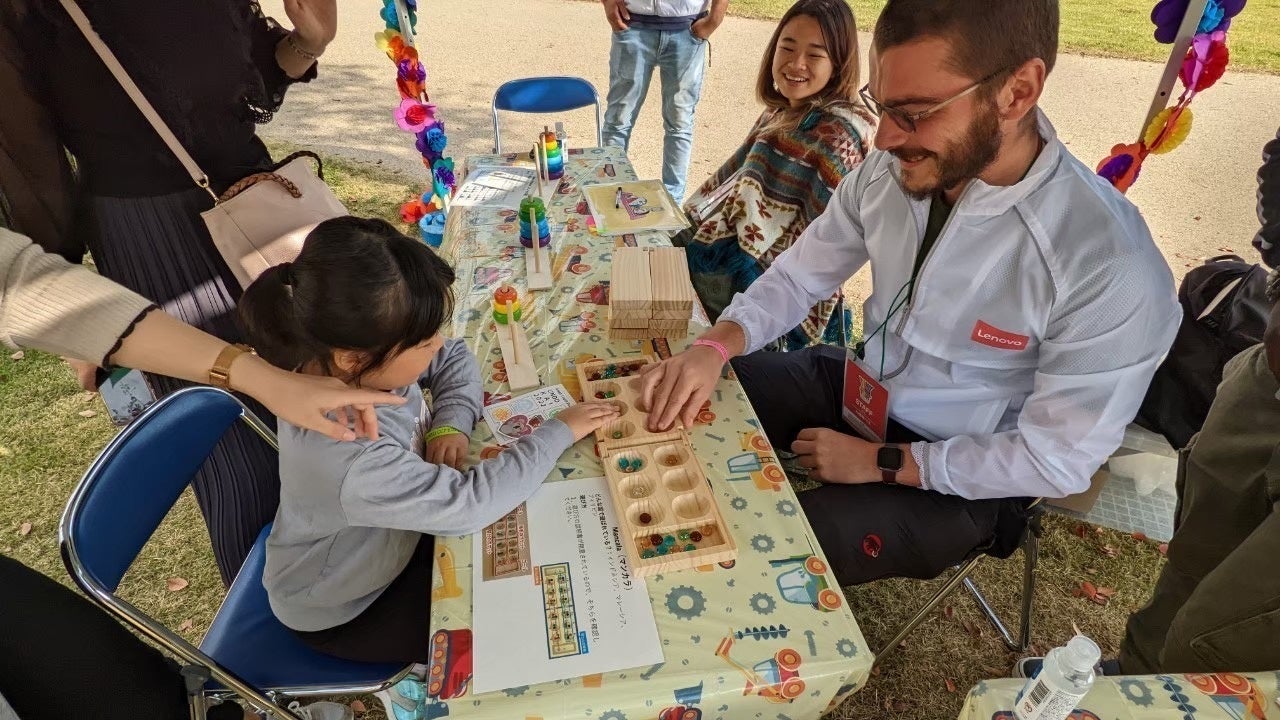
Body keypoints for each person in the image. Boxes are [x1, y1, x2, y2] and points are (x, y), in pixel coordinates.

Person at [638, 0, 1181, 587]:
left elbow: (1056, 459)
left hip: (966, 470)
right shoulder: (887, 172)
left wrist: (885, 464)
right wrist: (715, 347)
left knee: (755, 560)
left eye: (915, 112)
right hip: (862, 388)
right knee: (666, 400)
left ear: (1018, 92)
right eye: (881, 104)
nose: (886, 138)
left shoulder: (1108, 264)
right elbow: (800, 277)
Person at [0, 226, 407, 720]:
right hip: (331, 601)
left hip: (337, 574)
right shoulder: (350, 455)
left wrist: (257, 378)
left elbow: (21, 279)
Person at [6, 0, 337, 586]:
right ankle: (284, 613)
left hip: (257, 209)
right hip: (154, 236)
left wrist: (309, 41)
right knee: (234, 446)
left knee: (332, 386)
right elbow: (27, 161)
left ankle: (374, 564)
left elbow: (245, 95)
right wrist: (77, 319)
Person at [236, 217, 619, 664]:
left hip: (399, 535)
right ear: (352, 357)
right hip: (349, 606)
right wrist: (561, 429)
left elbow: (454, 356)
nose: (438, 345)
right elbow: (468, 505)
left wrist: (449, 424)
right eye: (423, 341)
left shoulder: (351, 366)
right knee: (512, 637)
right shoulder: (349, 452)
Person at [675, 0, 875, 349]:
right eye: (787, 47)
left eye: (815, 55)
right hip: (733, 266)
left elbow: (817, 251)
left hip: (774, 297)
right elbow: (730, 187)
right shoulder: (779, 113)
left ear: (839, 63)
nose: (796, 64)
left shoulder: (840, 134)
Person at [601, 0, 727, 202]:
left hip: (688, 28)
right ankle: (610, 196)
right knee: (618, 119)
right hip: (631, 24)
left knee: (679, 122)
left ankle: (673, 204)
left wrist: (715, 18)